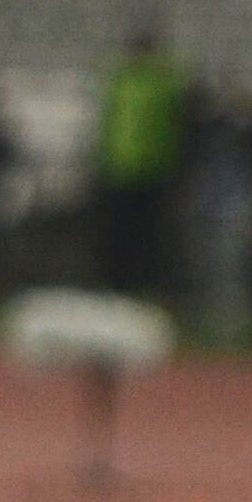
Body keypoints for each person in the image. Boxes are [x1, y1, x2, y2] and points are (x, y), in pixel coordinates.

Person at [94, 18, 187, 299]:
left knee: (146, 233)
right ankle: (116, 283)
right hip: (119, 167)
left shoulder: (164, 82)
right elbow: (108, 123)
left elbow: (174, 125)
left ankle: (142, 283)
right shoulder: (120, 80)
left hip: (152, 168)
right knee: (118, 232)